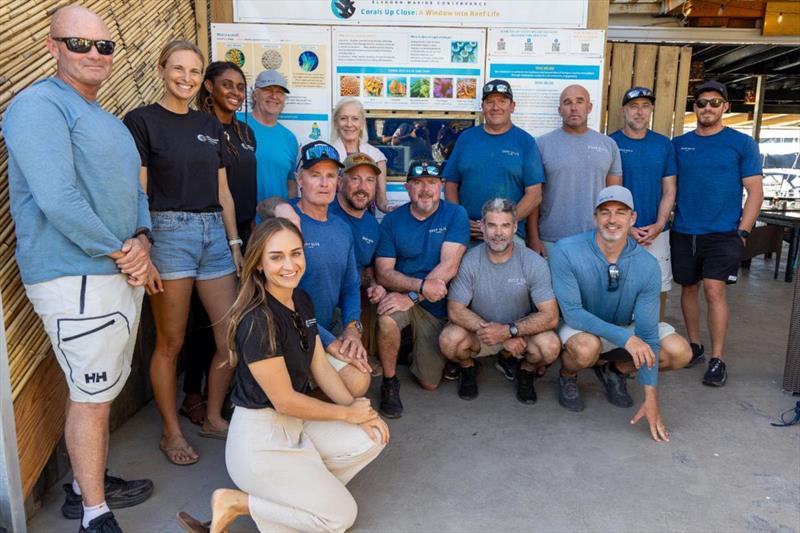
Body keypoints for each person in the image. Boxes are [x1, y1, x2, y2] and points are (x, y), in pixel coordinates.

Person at [4, 5, 153, 531]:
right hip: (75, 273)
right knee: (92, 394)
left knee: (100, 389)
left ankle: (83, 483)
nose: (94, 54)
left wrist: (141, 238)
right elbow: (57, 199)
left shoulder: (107, 119)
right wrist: (120, 249)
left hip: (116, 269)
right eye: (79, 43)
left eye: (104, 45)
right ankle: (95, 513)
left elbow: (135, 191)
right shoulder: (37, 106)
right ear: (52, 46)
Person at [175, 218, 388, 533]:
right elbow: (285, 401)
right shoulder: (258, 319)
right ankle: (238, 502)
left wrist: (360, 412)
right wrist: (346, 412)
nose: (289, 264)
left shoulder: (301, 299)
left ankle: (300, 493)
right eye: (276, 257)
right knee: (340, 518)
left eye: (296, 253)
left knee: (372, 435)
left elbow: (320, 366)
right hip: (259, 440)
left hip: (296, 428)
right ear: (259, 264)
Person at [124, 40, 242, 466]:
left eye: (194, 72)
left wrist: (234, 243)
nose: (187, 79)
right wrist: (146, 245)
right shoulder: (141, 121)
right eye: (179, 69)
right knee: (170, 342)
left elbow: (223, 192)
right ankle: (171, 433)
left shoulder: (210, 125)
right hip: (168, 232)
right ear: (162, 70)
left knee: (228, 337)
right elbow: (137, 189)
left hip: (214, 234)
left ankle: (212, 416)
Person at [550, 186, 692, 442]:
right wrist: (626, 339)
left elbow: (647, 332)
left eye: (620, 213)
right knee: (585, 348)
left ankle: (616, 369)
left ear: (633, 218)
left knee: (680, 352)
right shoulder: (566, 250)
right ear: (595, 217)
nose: (612, 220)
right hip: (582, 325)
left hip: (626, 326)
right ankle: (568, 375)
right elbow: (572, 313)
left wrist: (651, 399)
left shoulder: (647, 265)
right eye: (605, 213)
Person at [179, 61, 259, 427]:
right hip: (211, 233)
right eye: (226, 84)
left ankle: (220, 392)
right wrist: (231, 241)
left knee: (231, 319)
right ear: (208, 87)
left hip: (244, 229)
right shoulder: (199, 129)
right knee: (203, 323)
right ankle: (192, 396)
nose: (234, 91)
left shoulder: (245, 131)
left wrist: (245, 237)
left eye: (240, 86)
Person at [671, 80, 764, 386]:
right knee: (688, 288)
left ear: (726, 107)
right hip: (684, 230)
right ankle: (695, 346)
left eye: (714, 102)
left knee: (714, 290)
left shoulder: (741, 144)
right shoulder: (679, 144)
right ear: (694, 108)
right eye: (701, 103)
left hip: (723, 234)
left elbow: (755, 191)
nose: (707, 108)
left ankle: (718, 358)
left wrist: (743, 232)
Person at [439, 198, 561, 403]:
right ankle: (468, 368)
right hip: (481, 334)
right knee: (449, 341)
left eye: (505, 225)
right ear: (482, 227)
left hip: (521, 335)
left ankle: (526, 371)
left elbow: (550, 317)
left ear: (514, 227)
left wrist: (509, 331)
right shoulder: (469, 260)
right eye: (492, 225)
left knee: (550, 347)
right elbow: (455, 310)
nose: (498, 233)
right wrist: (499, 334)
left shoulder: (534, 262)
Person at [375, 160, 470, 418]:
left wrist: (415, 297)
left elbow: (449, 266)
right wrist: (415, 289)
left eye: (431, 182)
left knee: (429, 384)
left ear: (440, 186)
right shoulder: (392, 221)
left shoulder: (455, 214)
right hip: (405, 296)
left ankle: (408, 348)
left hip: (435, 307)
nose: (425, 189)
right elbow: (383, 271)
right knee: (386, 319)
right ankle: (389, 382)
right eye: (418, 183)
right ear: (407, 187)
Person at [292, 141, 372, 396]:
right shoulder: (286, 222)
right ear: (299, 179)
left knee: (360, 378)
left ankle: (307, 406)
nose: (324, 183)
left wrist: (351, 328)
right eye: (315, 175)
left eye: (330, 176)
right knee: (355, 383)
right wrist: (329, 342)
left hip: (326, 327)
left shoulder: (341, 227)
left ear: (338, 182)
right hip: (291, 332)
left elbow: (350, 286)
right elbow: (283, 299)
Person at [444, 79, 545, 244]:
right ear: (483, 107)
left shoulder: (525, 142)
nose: (495, 107)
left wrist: (502, 223)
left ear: (512, 106)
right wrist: (460, 220)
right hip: (468, 233)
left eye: (502, 101)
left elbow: (534, 194)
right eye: (490, 102)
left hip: (509, 235)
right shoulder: (466, 138)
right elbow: (450, 184)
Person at [528, 84, 622, 256]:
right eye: (567, 102)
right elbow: (534, 197)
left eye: (580, 101)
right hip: (552, 240)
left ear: (590, 107)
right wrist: (534, 238)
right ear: (559, 110)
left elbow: (613, 198)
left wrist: (612, 237)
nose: (573, 108)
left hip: (596, 239)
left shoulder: (608, 145)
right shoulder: (541, 145)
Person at [609, 87, 677, 318]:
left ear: (651, 110)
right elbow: (609, 192)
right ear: (623, 110)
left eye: (645, 106)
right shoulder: (611, 143)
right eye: (634, 106)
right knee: (616, 289)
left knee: (658, 289)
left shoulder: (663, 145)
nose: (640, 112)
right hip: (618, 231)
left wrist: (659, 225)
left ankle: (654, 341)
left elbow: (669, 189)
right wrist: (626, 227)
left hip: (656, 232)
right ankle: (617, 346)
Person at [241, 70, 298, 202]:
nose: (274, 96)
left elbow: (291, 184)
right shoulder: (236, 124)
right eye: (268, 89)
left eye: (279, 92)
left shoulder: (290, 139)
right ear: (255, 95)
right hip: (239, 219)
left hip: (275, 220)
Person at [331, 97, 391, 212]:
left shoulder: (377, 156)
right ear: (336, 123)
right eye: (343, 118)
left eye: (355, 119)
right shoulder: (327, 154)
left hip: (365, 223)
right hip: (334, 221)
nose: (349, 124)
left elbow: (381, 201)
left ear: (362, 123)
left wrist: (390, 208)